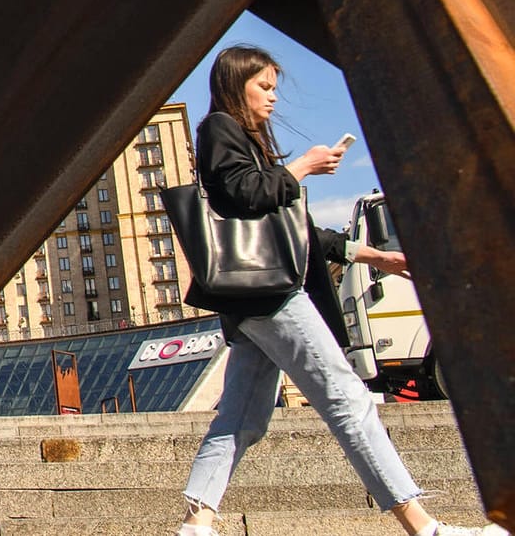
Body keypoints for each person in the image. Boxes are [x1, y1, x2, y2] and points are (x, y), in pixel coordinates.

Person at [176, 46, 504, 536]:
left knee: (242, 415)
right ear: (235, 82)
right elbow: (241, 195)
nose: (272, 97)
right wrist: (301, 168)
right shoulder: (218, 128)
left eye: (273, 87)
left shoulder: (247, 141)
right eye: (264, 86)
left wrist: (378, 257)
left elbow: (300, 229)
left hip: (254, 301)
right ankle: (423, 527)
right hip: (270, 297)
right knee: (347, 398)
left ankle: (196, 523)